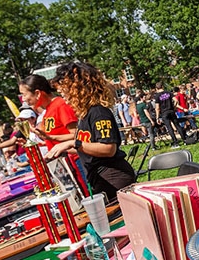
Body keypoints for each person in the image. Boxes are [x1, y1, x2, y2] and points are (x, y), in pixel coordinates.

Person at [47, 63, 136, 200]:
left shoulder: (98, 112)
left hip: (115, 180)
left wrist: (72, 143)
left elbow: (108, 148)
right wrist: (59, 151)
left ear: (78, 88)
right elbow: (89, 149)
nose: (61, 93)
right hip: (100, 181)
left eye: (65, 88)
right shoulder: (84, 114)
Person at [18, 74, 77, 150]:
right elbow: (58, 138)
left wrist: (50, 137)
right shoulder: (48, 110)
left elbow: (77, 135)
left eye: (24, 95)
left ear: (37, 93)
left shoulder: (60, 105)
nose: (23, 99)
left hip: (75, 159)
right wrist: (41, 143)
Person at [155, 83, 188, 148]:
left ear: (156, 88)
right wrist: (174, 106)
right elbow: (176, 100)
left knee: (169, 128)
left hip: (164, 113)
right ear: (162, 87)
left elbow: (157, 108)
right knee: (177, 125)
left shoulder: (157, 96)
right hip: (171, 111)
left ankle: (176, 143)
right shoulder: (168, 92)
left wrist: (157, 118)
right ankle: (184, 140)